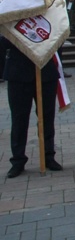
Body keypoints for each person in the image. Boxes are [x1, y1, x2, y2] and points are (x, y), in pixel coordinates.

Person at [1, 38, 63, 178]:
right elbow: (3, 42)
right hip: (18, 73)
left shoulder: (46, 16)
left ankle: (48, 156)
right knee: (19, 120)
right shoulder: (12, 16)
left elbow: (58, 37)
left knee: (47, 118)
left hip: (45, 71)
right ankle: (18, 160)